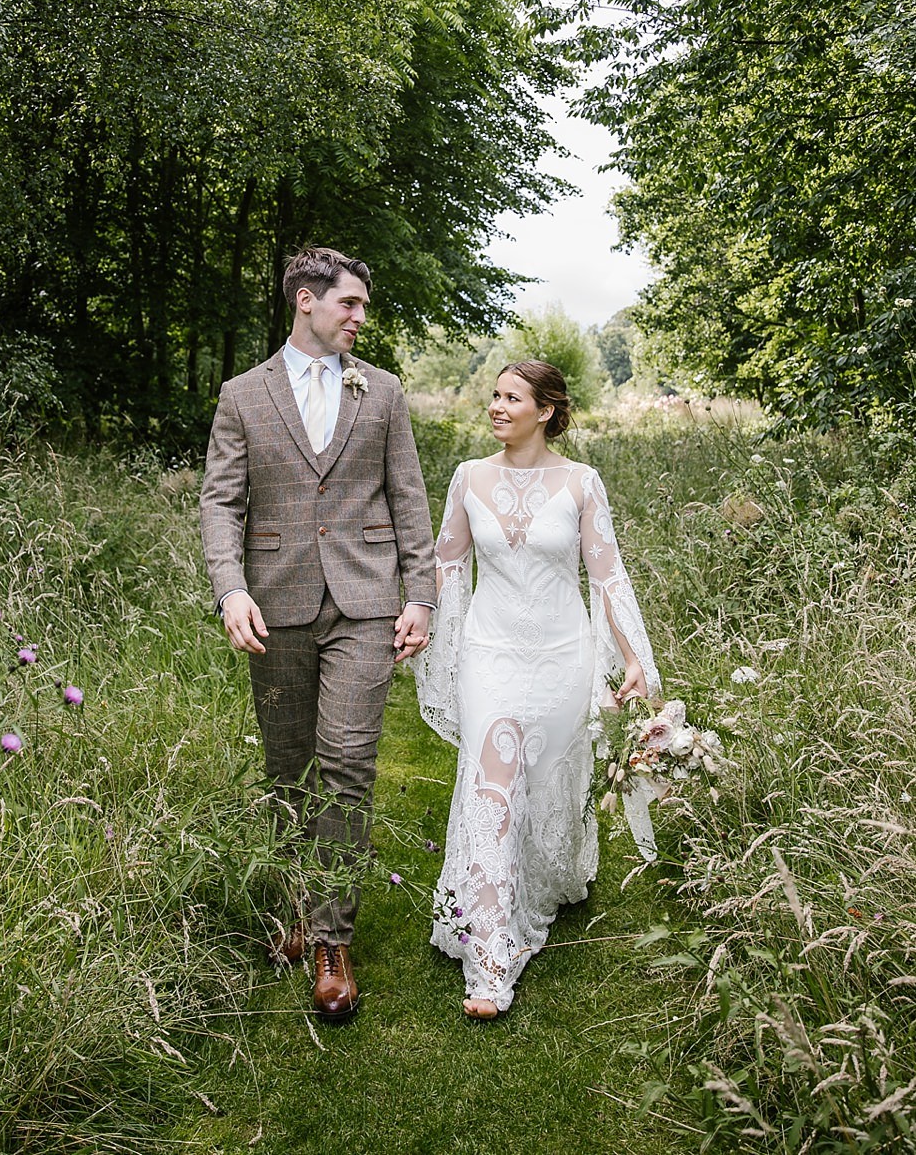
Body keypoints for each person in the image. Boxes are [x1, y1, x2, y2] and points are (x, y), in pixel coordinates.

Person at [200, 246, 436, 1021]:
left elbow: (409, 498)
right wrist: (231, 589)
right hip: (277, 603)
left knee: (347, 761)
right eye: (351, 304)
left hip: (366, 603)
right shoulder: (241, 395)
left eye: (363, 306)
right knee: (288, 769)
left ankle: (333, 940)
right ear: (307, 300)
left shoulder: (385, 393)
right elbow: (221, 503)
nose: (361, 318)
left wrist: (422, 596)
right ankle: (300, 904)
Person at [413, 360, 660, 1018]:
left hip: (561, 656)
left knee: (547, 781)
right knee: (492, 786)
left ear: (546, 410)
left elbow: (607, 576)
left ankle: (543, 880)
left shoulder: (580, 482)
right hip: (489, 655)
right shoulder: (468, 477)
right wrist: (422, 624)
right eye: (493, 395)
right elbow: (445, 565)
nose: (496, 406)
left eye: (511, 397)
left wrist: (632, 657)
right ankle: (491, 963)